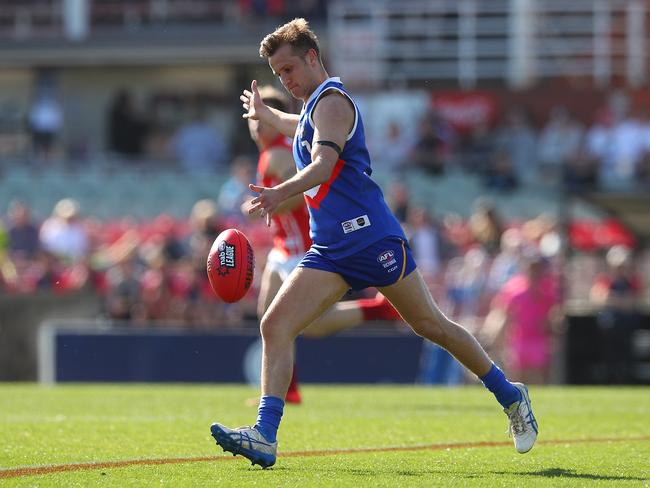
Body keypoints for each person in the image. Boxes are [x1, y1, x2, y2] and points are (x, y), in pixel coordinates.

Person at [210, 18, 537, 468]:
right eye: (276, 74)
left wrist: (279, 193)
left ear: (312, 57)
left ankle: (510, 395)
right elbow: (301, 128)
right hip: (330, 248)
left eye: (288, 69)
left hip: (370, 237)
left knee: (432, 327)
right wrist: (271, 117)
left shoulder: (334, 102)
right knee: (274, 325)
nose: (283, 80)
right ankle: (265, 435)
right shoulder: (312, 109)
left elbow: (323, 164)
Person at [244, 84, 402, 404]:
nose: (258, 125)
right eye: (253, 120)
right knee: (268, 316)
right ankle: (287, 391)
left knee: (308, 326)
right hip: (283, 246)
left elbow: (301, 192)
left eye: (264, 119)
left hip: (300, 245)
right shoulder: (268, 152)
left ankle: (379, 309)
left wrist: (269, 202)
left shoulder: (276, 153)